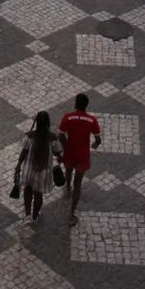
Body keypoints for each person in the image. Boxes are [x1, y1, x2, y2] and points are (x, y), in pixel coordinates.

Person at [14, 111, 63, 227]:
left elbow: (24, 152)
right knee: (38, 195)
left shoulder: (29, 136)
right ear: (48, 123)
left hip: (29, 170)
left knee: (27, 191)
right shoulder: (52, 137)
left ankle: (27, 216)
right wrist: (61, 158)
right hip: (43, 172)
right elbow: (58, 152)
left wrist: (18, 166)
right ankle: (35, 216)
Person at [59, 93, 101, 227]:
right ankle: (71, 214)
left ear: (76, 104)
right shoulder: (92, 120)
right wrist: (95, 144)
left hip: (70, 153)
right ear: (86, 105)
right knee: (79, 184)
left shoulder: (68, 117)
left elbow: (60, 135)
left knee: (68, 170)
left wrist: (66, 148)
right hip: (83, 156)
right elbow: (98, 139)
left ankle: (67, 188)